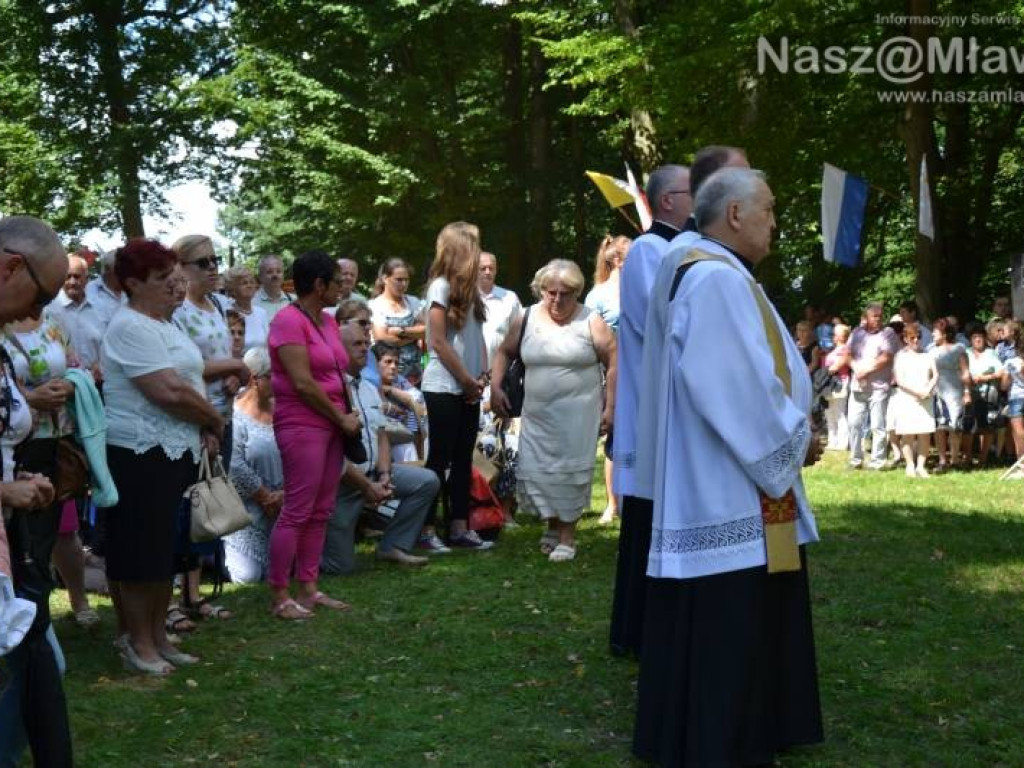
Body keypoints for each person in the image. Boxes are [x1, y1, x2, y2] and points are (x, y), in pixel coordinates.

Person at [634, 167, 822, 766]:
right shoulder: (713, 279)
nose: (775, 222)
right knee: (729, 620)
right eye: (768, 209)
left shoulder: (706, 268)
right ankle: (726, 739)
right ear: (735, 215)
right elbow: (734, 385)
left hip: (724, 475)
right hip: (727, 480)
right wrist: (794, 439)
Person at [623, 146, 749, 660]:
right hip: (655, 402)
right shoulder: (653, 251)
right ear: (668, 201)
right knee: (646, 523)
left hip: (668, 402)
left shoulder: (688, 250)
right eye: (688, 192)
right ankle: (638, 628)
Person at [101, 238, 225, 675]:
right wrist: (213, 419)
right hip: (138, 452)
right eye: (159, 278)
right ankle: (138, 642)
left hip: (174, 449)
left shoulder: (164, 323)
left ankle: (156, 636)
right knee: (139, 552)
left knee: (161, 553)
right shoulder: (129, 326)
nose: (170, 284)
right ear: (132, 283)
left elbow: (188, 380)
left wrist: (202, 426)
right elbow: (167, 391)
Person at [0, 215, 73, 767]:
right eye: (43, 294)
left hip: (11, 550)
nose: (38, 313)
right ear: (9, 267)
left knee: (39, 672)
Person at [492, 259, 616, 562]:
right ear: (541, 291)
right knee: (539, 470)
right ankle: (551, 525)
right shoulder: (526, 317)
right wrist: (495, 385)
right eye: (551, 293)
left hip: (578, 414)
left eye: (566, 294)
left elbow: (614, 359)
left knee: (569, 471)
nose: (558, 300)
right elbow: (504, 351)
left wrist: (611, 405)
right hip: (538, 413)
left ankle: (567, 536)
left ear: (577, 293)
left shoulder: (590, 320)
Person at [266, 250, 360, 619]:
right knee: (298, 510)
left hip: (334, 424)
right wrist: (340, 417)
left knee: (321, 510)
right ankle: (279, 595)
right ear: (319, 285)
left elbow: (337, 370)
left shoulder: (327, 320)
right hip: (303, 423)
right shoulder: (288, 321)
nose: (342, 288)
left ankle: (308, 589)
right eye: (337, 282)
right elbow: (303, 383)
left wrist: (344, 418)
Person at [2, 303, 98, 630]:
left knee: (41, 544)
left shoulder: (54, 320)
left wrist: (71, 386)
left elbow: (78, 368)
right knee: (16, 547)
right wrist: (29, 398)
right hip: (13, 447)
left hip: (54, 445)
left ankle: (36, 630)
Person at [172, 234, 248, 621]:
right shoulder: (178, 311)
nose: (213, 268)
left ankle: (195, 594)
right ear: (181, 267)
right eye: (203, 262)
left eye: (215, 260)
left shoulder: (217, 304)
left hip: (225, 414)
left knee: (210, 502)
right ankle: (176, 596)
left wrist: (237, 375)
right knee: (187, 506)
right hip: (195, 419)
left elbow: (226, 356)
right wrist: (233, 368)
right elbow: (188, 368)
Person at [322, 325, 438, 573]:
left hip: (374, 473)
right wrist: (366, 487)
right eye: (357, 344)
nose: (365, 348)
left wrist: (384, 475)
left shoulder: (367, 387)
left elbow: (382, 434)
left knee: (427, 481)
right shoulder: (329, 390)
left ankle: (393, 546)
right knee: (339, 568)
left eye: (366, 343)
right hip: (342, 483)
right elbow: (330, 454)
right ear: (337, 348)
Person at [419, 222, 492, 551]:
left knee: (463, 458)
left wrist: (482, 373)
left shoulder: (471, 290)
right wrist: (465, 379)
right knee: (440, 458)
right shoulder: (440, 287)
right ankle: (426, 528)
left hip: (469, 386)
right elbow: (438, 341)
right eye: (475, 245)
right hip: (445, 385)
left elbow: (476, 337)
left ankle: (460, 527)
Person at [225, 348, 282, 584]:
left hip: (282, 503)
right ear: (254, 379)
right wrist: (264, 496)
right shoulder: (235, 414)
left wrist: (283, 496)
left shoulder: (282, 410)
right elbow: (234, 464)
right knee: (248, 576)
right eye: (273, 376)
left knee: (286, 570)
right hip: (248, 508)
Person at [585, 235, 631, 526]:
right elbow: (589, 339)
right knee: (614, 435)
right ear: (617, 260)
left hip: (641, 370)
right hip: (611, 373)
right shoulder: (598, 296)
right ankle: (613, 503)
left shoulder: (644, 288)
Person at [847, 302, 898, 469]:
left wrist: (866, 370)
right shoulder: (856, 333)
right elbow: (847, 354)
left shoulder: (888, 333)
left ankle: (878, 461)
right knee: (854, 423)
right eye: (874, 316)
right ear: (866, 318)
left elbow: (887, 357)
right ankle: (855, 460)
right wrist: (856, 368)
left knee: (877, 425)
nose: (878, 319)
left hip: (879, 387)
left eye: (880, 316)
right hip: (858, 386)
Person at [890, 323, 938, 477]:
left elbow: (935, 374)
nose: (916, 340)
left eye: (918, 337)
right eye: (912, 338)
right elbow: (900, 380)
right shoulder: (900, 356)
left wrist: (928, 390)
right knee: (907, 434)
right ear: (905, 339)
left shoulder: (927, 354)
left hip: (925, 397)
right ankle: (910, 465)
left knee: (925, 433)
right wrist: (917, 392)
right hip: (907, 398)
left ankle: (921, 466)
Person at [48, 253, 105, 380]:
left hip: (98, 381)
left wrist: (102, 365)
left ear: (87, 279)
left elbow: (108, 344)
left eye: (77, 277)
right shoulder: (49, 309)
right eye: (68, 277)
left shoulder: (100, 308)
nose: (72, 282)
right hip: (65, 383)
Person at [368, 257, 425, 378]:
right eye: (399, 280)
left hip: (416, 371)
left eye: (406, 280)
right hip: (389, 372)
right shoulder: (376, 305)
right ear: (385, 279)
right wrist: (414, 337)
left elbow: (426, 330)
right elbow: (381, 339)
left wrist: (400, 332)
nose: (403, 284)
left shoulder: (413, 302)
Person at [929, 320, 970, 471]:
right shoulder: (931, 351)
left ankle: (955, 459)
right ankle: (942, 460)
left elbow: (965, 371)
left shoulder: (959, 349)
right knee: (939, 427)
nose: (932, 334)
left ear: (945, 333)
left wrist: (967, 392)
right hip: (938, 393)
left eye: (935, 331)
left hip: (955, 392)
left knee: (955, 426)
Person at [376, 342, 426, 462]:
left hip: (403, 439)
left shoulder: (400, 382)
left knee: (406, 446)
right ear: (375, 364)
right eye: (388, 362)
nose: (393, 367)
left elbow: (418, 404)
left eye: (396, 363)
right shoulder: (368, 383)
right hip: (378, 440)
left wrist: (392, 390)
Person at [963, 324, 1003, 467]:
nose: (978, 340)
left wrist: (985, 378)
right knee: (968, 426)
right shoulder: (965, 353)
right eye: (975, 337)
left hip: (988, 393)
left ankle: (983, 459)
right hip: (969, 392)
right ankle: (967, 458)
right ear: (970, 340)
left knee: (987, 426)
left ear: (985, 339)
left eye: (980, 337)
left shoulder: (991, 353)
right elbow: (960, 371)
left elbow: (1000, 372)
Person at [478, 251, 522, 367]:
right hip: (470, 374)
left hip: (502, 372)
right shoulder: (466, 299)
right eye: (483, 268)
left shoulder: (510, 298)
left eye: (491, 268)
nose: (487, 272)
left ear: (496, 271)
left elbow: (519, 334)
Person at [223, 265, 270, 351]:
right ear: (233, 289)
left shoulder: (261, 313)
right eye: (244, 283)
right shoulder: (228, 313)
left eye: (252, 282)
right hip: (237, 363)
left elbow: (268, 344)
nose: (249, 285)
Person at [822, 323, 852, 450]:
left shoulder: (845, 349)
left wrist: (823, 373)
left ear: (841, 336)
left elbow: (835, 367)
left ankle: (842, 442)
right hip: (829, 384)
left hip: (840, 382)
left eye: (835, 333)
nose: (832, 335)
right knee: (829, 413)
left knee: (839, 413)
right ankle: (832, 441)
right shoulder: (834, 350)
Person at [1001, 323, 1024, 460]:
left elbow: (1004, 385)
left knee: (1018, 430)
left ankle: (1021, 460)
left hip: (1015, 397)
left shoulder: (1010, 362)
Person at [254, 254, 294, 321]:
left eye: (278, 271)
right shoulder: (251, 303)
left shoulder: (294, 301)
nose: (275, 275)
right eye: (269, 272)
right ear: (260, 277)